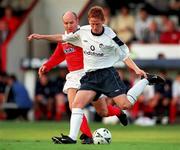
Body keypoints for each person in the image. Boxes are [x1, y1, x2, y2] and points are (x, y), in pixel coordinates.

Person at [28, 6, 165, 144]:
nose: (94, 27)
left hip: (107, 75)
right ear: (88, 21)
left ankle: (146, 81)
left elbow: (125, 56)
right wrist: (42, 37)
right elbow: (61, 39)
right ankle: (73, 137)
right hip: (89, 76)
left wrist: (137, 69)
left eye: (97, 24)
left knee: (123, 106)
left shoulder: (111, 36)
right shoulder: (83, 32)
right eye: (92, 23)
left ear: (103, 21)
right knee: (76, 104)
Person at [32, 11, 128, 144]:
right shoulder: (64, 39)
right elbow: (59, 55)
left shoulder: (85, 35)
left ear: (77, 21)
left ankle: (118, 113)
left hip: (90, 74)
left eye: (71, 22)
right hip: (74, 75)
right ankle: (87, 136)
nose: (69, 25)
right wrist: (47, 66)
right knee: (74, 106)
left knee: (103, 112)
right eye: (66, 23)